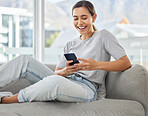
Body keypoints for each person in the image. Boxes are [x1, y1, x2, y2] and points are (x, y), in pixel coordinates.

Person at [0, 0, 131, 104]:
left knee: (55, 82)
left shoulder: (103, 36)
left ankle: (6, 100)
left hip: (87, 88)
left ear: (94, 17)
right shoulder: (70, 44)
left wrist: (96, 65)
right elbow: (56, 73)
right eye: (76, 18)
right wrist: (65, 71)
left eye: (84, 17)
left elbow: (125, 63)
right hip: (66, 79)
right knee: (25, 60)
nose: (80, 22)